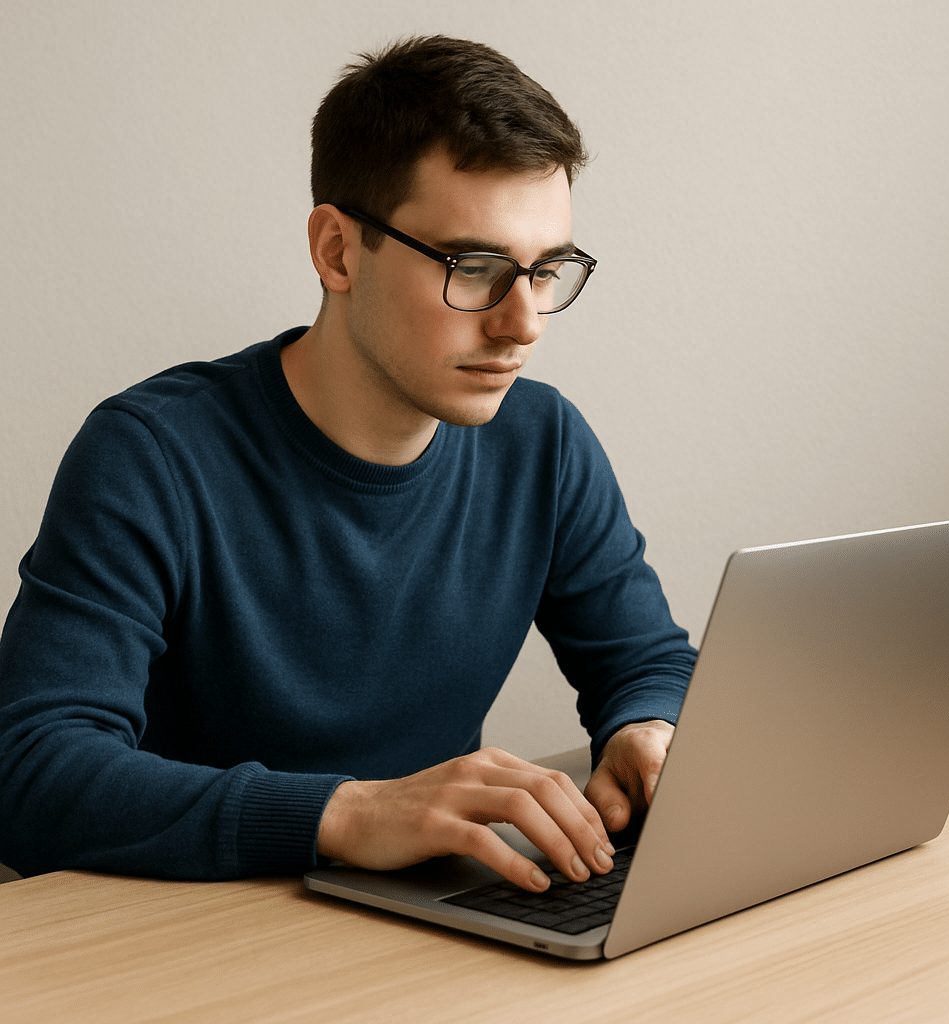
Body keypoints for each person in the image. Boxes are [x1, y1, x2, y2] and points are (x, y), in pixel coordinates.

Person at [0, 36, 696, 890]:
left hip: (425, 922)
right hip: (191, 930)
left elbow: (648, 662)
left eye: (546, 271)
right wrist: (347, 814)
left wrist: (646, 730)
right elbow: (29, 768)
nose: (523, 324)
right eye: (475, 267)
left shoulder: (542, 442)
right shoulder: (151, 455)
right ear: (337, 251)